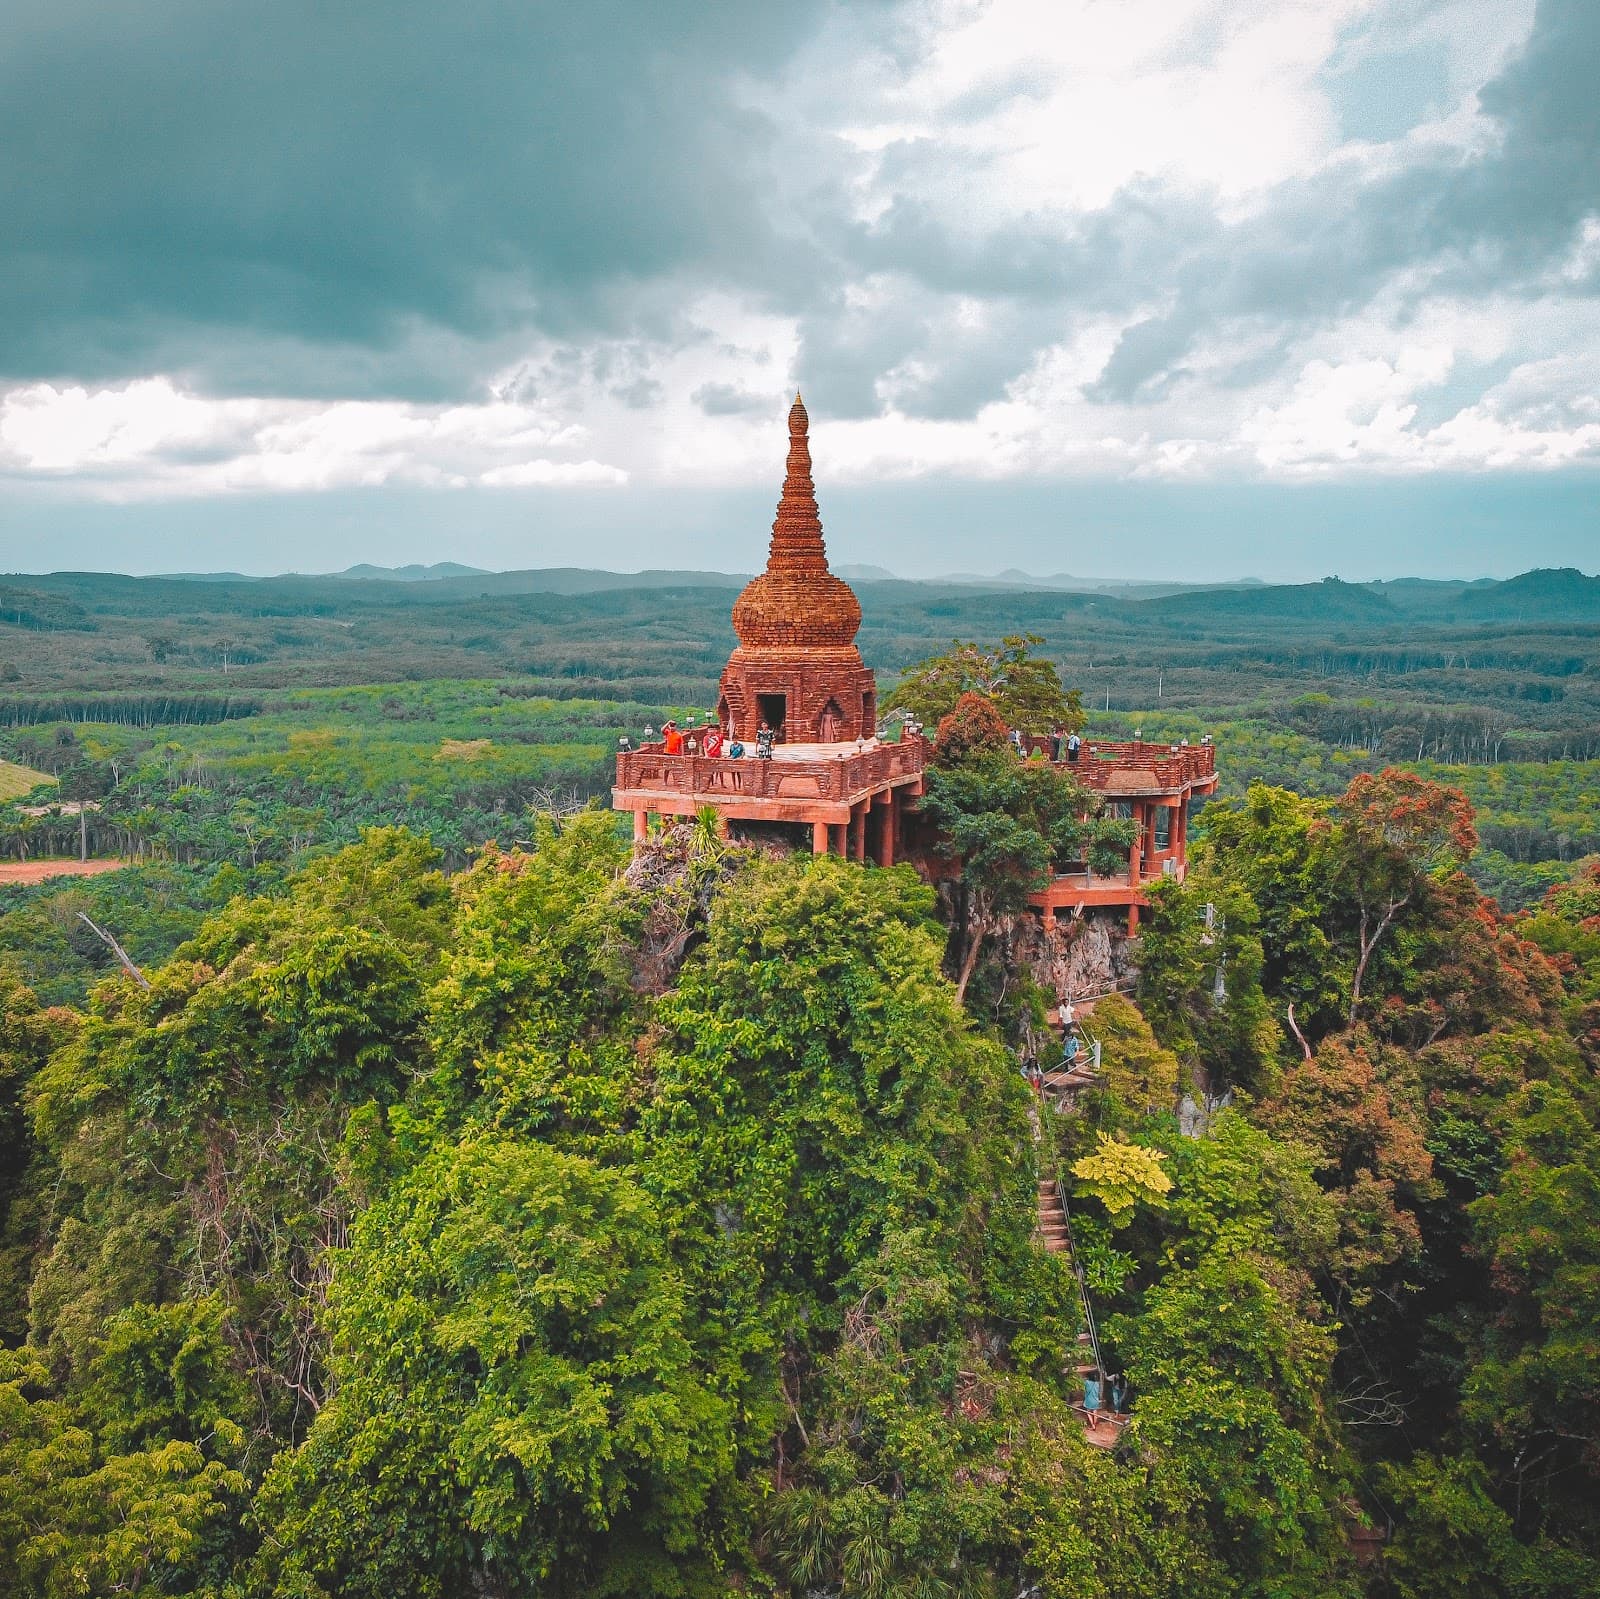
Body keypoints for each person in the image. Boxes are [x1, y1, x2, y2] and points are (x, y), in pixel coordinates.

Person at [1082, 1368, 1103, 1433]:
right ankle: (1095, 1424)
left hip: (1089, 1400)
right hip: (1095, 1400)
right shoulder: (1097, 1383)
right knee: (1095, 1413)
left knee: (1088, 1412)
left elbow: (1084, 1389)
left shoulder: (1087, 1382)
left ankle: (1093, 1425)